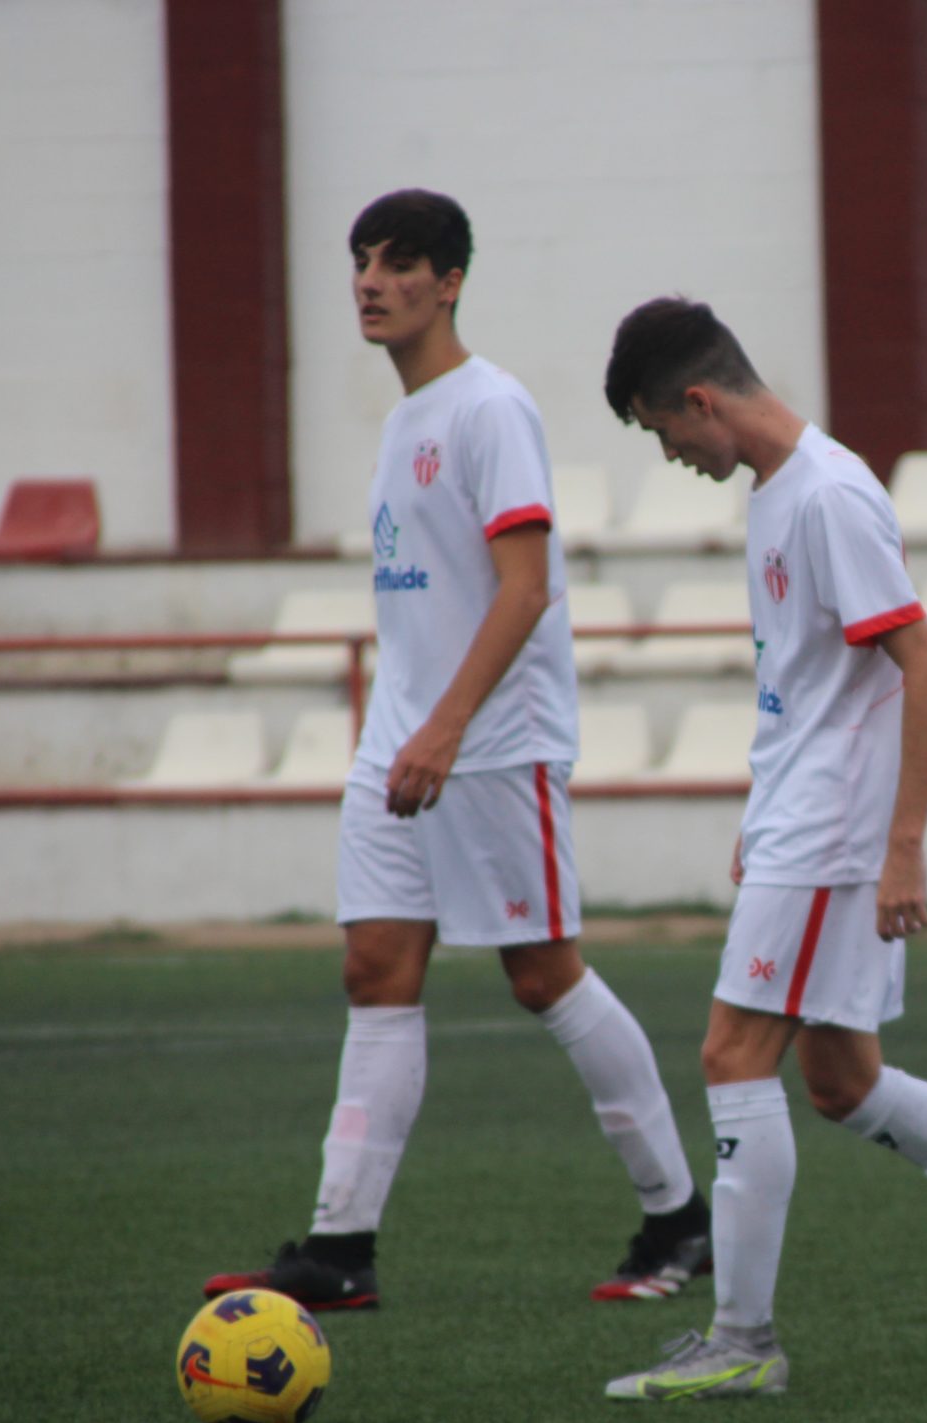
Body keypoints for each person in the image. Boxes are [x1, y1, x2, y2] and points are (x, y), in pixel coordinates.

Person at [595, 297, 927, 1400]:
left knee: (731, 1056)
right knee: (842, 1080)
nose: (673, 457)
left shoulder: (830, 495)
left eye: (663, 433)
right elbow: (807, 685)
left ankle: (744, 1342)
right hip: (802, 820)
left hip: (835, 832)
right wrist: (762, 814)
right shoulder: (777, 492)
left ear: (698, 400)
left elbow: (925, 666)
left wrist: (904, 847)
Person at [205, 191, 707, 1312]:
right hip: (402, 739)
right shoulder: (403, 422)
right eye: (361, 261)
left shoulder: (491, 408)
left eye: (399, 264)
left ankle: (679, 1219)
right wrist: (410, 726)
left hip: (490, 745)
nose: (371, 282)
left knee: (542, 976)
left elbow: (524, 589)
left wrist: (445, 726)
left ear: (450, 282)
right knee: (375, 972)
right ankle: (340, 1249)